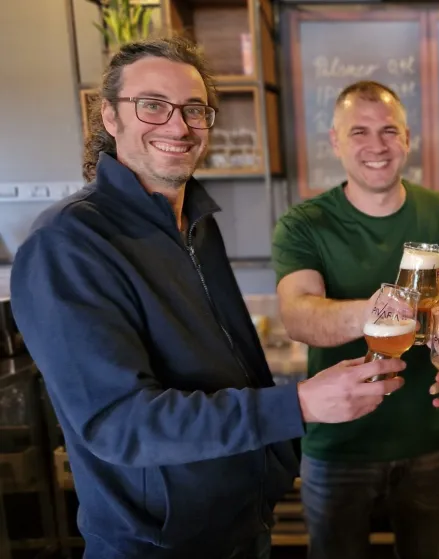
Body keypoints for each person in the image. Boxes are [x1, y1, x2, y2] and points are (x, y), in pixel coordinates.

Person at [10, 37, 405, 559]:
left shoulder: (195, 222)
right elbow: (119, 423)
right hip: (156, 545)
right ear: (109, 116)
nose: (178, 126)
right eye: (153, 105)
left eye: (194, 109)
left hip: (239, 526)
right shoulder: (66, 244)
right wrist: (298, 404)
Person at [272, 80, 439, 559]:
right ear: (335, 141)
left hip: (428, 439)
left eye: (388, 131)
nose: (376, 145)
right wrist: (381, 312)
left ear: (407, 139)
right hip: (339, 444)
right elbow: (298, 316)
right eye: (359, 131)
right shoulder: (303, 223)